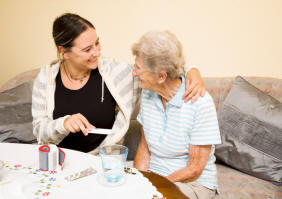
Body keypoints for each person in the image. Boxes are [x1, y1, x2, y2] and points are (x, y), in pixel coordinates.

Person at [32, 13, 206, 154]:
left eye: (97, 43)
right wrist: (64, 124)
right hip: (57, 161)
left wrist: (192, 71)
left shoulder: (116, 73)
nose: (97, 52)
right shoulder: (45, 78)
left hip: (101, 162)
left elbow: (161, 68)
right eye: (87, 49)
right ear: (64, 51)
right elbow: (39, 131)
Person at [132, 30, 221, 199]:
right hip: (155, 176)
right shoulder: (148, 93)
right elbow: (145, 147)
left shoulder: (200, 103)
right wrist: (139, 181)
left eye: (138, 69)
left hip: (192, 182)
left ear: (161, 76)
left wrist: (156, 187)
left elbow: (194, 169)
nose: (133, 74)